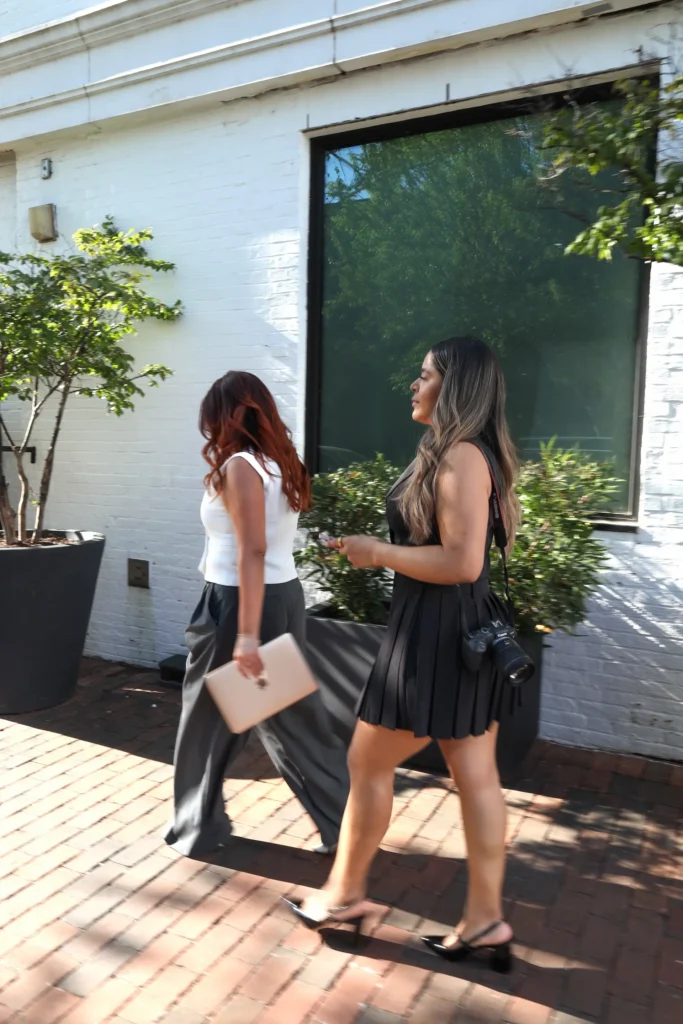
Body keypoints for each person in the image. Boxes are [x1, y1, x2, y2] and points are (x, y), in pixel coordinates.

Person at [284, 337, 520, 973]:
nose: (413, 387)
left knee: (367, 761)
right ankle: (484, 922)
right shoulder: (469, 455)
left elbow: (462, 562)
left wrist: (378, 551)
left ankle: (344, 899)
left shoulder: (461, 457)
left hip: (435, 640)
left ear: (456, 388)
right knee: (476, 777)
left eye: (424, 377)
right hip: (460, 635)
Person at [165, 371, 349, 858]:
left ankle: (196, 827)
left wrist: (246, 637)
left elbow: (252, 549)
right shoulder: (279, 463)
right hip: (281, 597)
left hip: (237, 606)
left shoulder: (241, 467)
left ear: (223, 414)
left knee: (205, 718)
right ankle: (347, 823)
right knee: (291, 720)